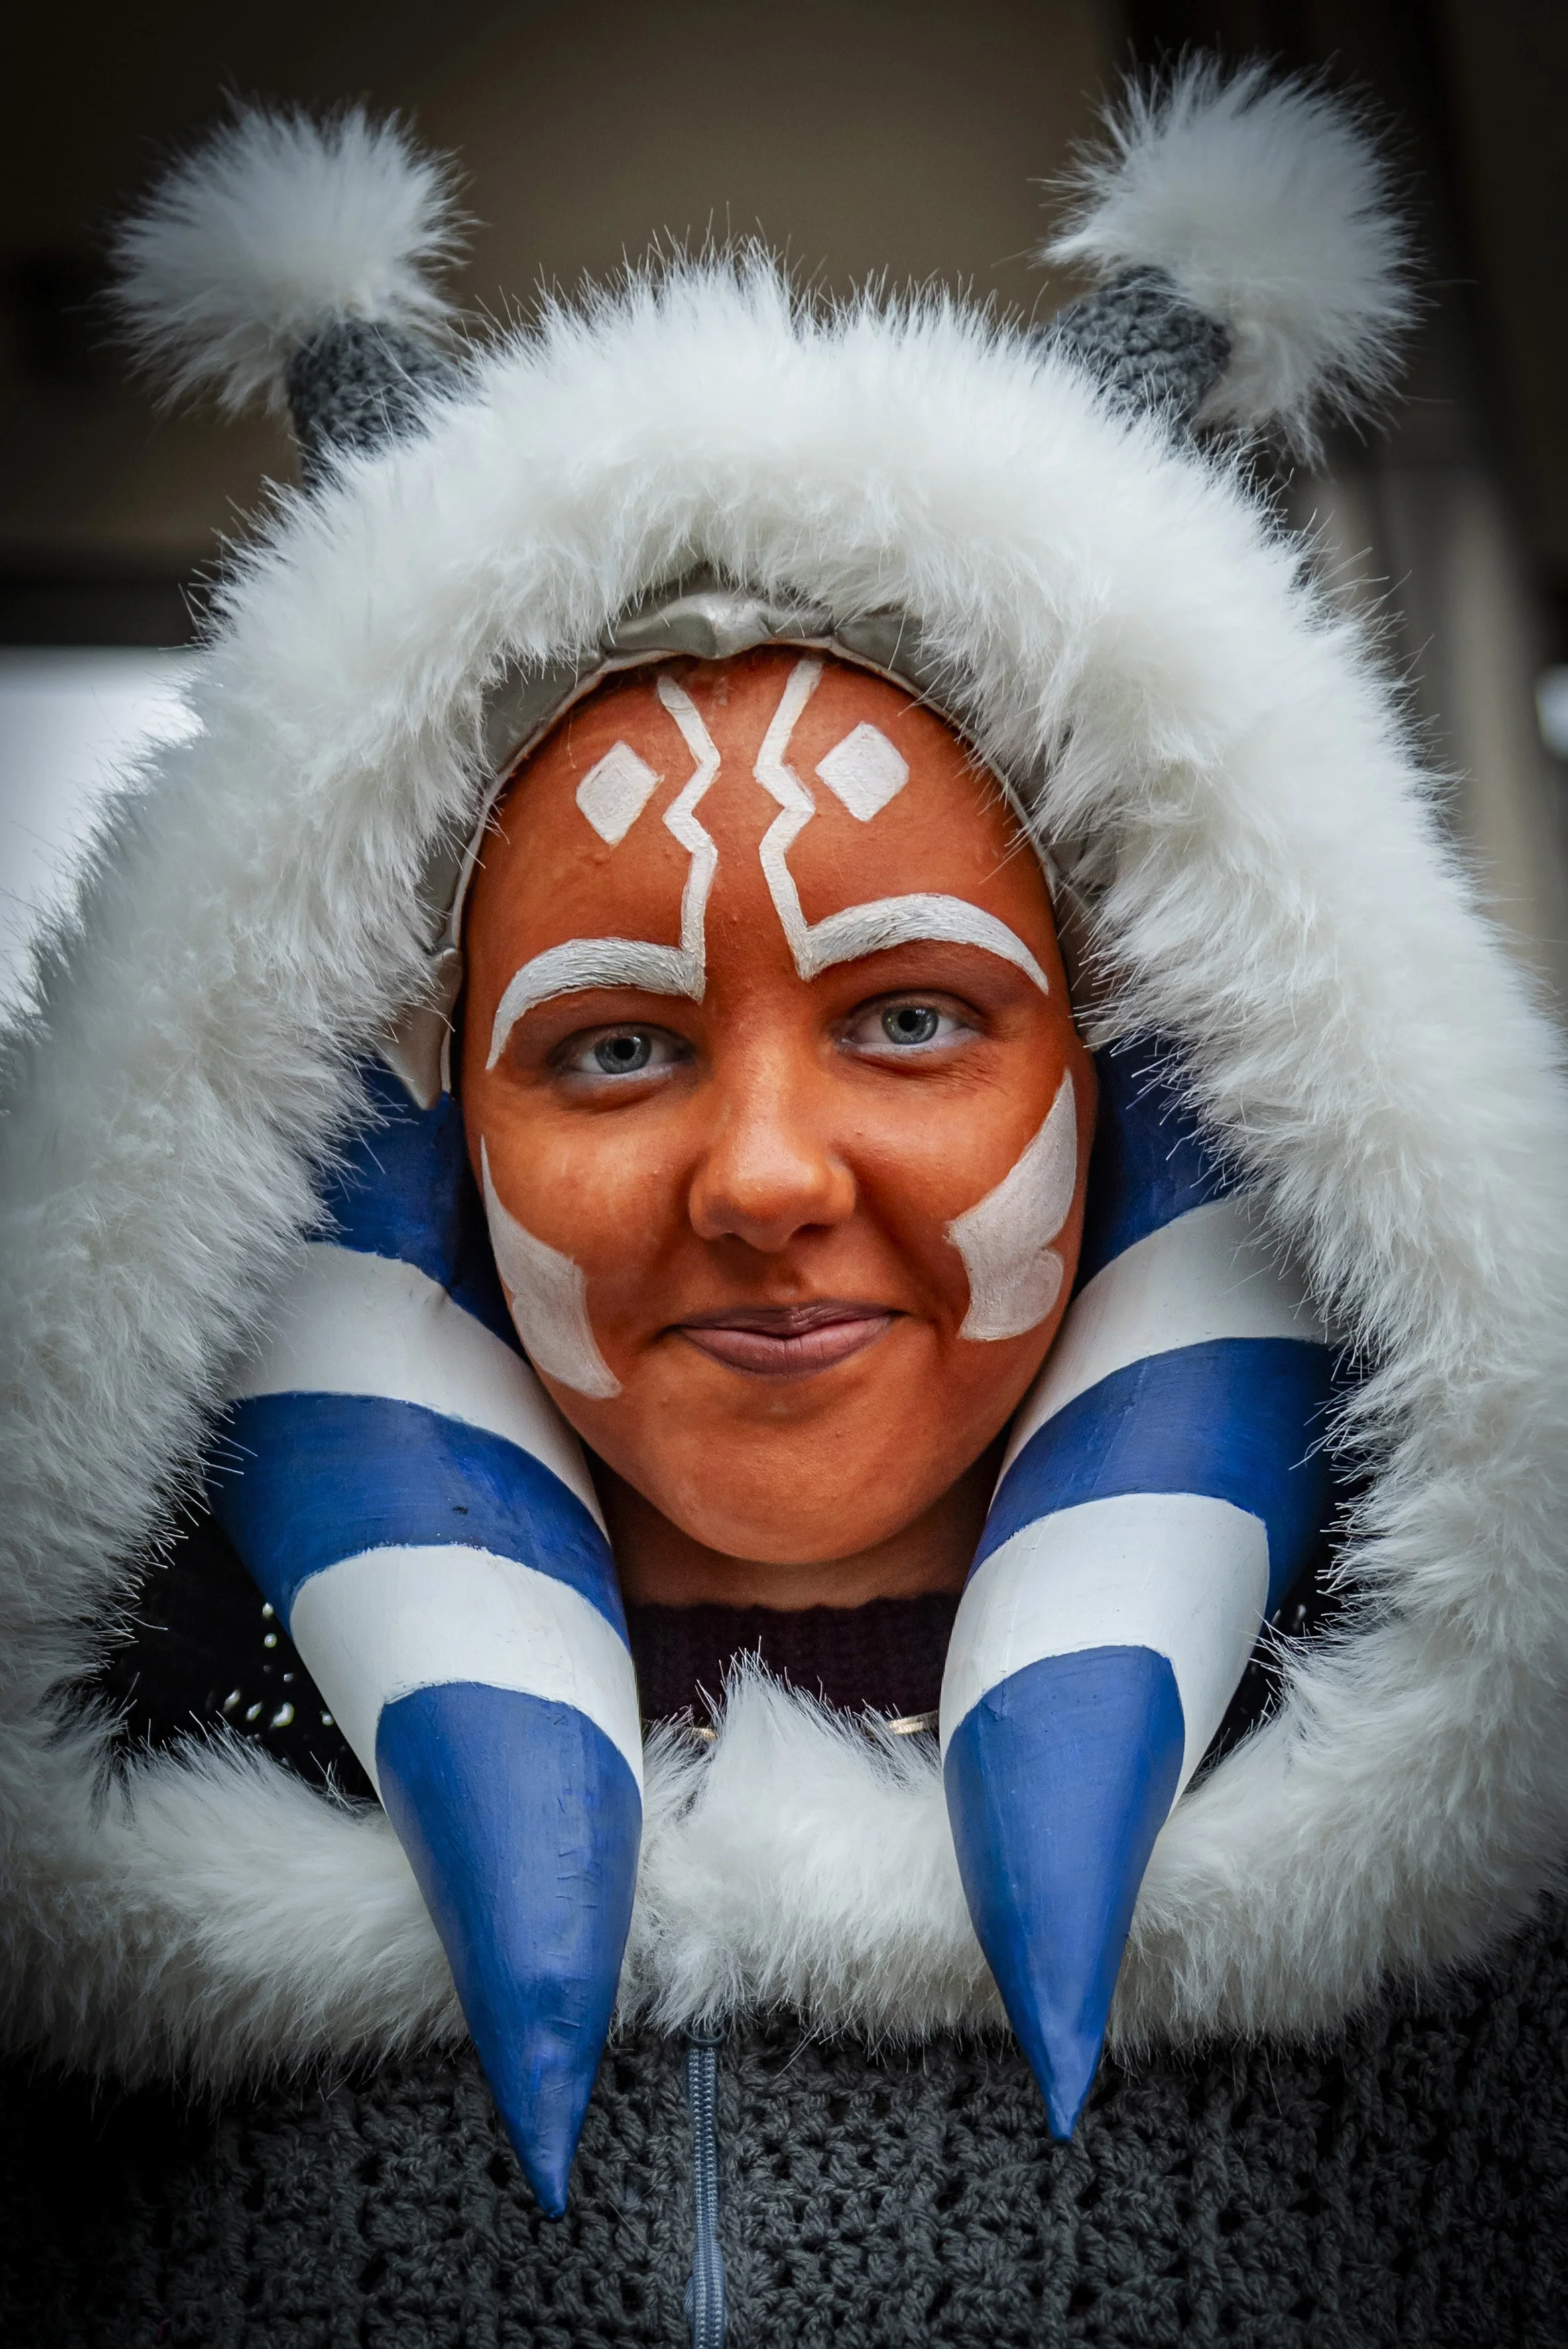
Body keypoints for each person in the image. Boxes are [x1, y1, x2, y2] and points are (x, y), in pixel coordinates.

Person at [3, 62, 1568, 2347]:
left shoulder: (1498, 1935)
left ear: (1136, 1078)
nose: (757, 1175)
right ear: (420, 1125)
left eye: (912, 1015)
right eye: (611, 1044)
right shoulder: (93, 1905)